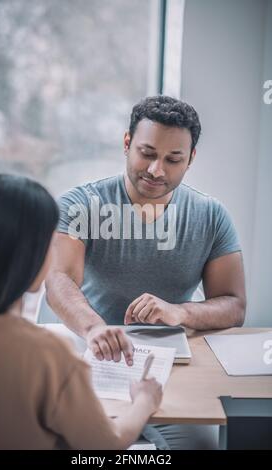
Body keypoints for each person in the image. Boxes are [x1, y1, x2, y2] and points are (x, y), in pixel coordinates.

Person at [43, 95, 246, 449]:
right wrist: (95, 329)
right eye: (147, 153)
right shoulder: (80, 205)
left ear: (191, 159)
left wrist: (180, 311)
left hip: (173, 371)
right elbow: (59, 279)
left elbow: (234, 305)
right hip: (96, 362)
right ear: (127, 144)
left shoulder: (211, 215)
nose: (156, 170)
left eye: (173, 159)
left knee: (199, 447)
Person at [0, 174, 162, 450]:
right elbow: (106, 444)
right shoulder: (48, 355)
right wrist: (145, 400)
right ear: (33, 256)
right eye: (52, 244)